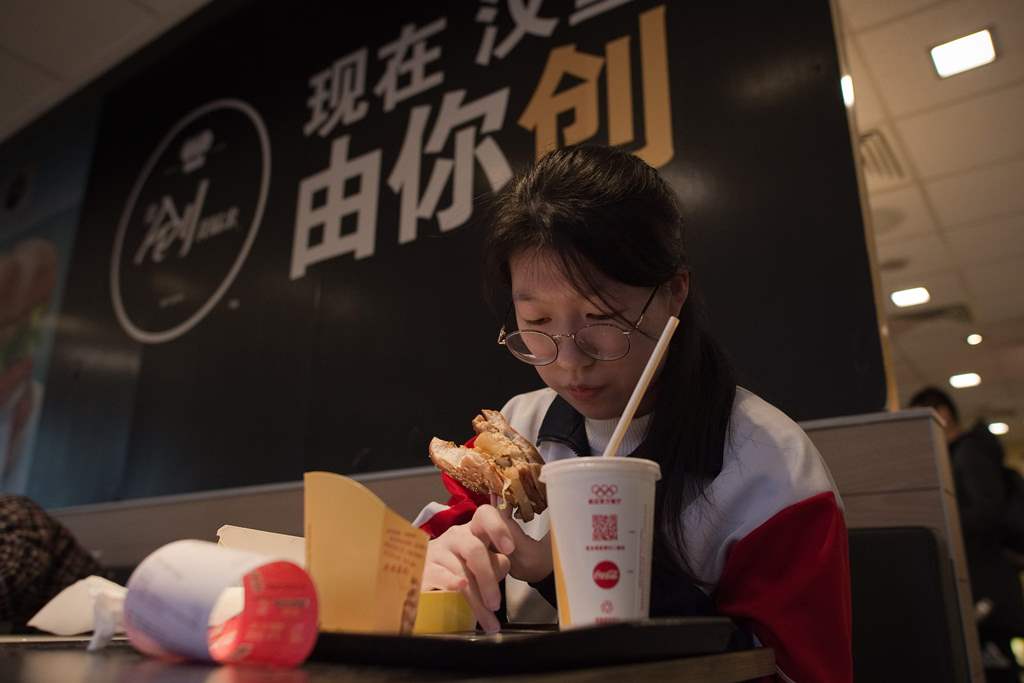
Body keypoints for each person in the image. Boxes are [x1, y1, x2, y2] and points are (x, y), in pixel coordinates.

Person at [414, 145, 852, 682]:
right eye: (537, 320)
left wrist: (567, 569)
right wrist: (441, 573)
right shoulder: (517, 431)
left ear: (673, 293)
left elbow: (796, 672)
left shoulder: (770, 468)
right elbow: (430, 559)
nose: (570, 362)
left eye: (603, 318)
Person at [909, 386, 1024, 682]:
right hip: (988, 580)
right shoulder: (964, 453)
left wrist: (945, 520)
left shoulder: (968, 452)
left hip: (986, 585)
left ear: (942, 415)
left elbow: (987, 511)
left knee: (994, 668)